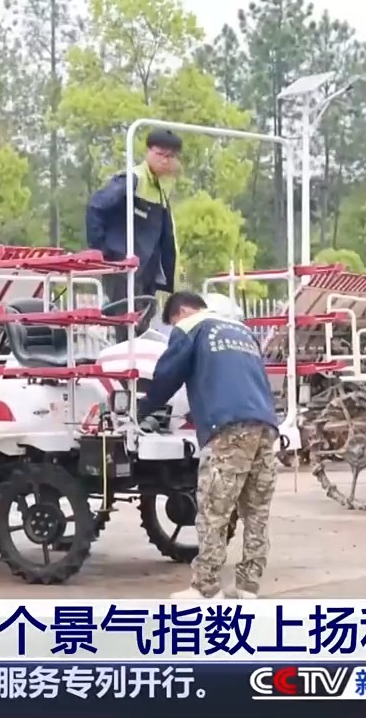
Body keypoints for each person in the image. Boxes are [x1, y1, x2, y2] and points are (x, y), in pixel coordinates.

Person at [137, 291, 280, 600]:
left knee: (214, 511)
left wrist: (142, 409)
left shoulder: (190, 327)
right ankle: (248, 586)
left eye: (173, 323)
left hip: (228, 428)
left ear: (181, 312)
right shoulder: (242, 331)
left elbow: (167, 376)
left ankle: (205, 588)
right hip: (266, 425)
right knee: (256, 511)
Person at [85, 128, 183, 342]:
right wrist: (102, 251)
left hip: (147, 271)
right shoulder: (133, 179)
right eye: (160, 154)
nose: (165, 161)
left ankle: (139, 362)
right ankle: (124, 362)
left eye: (170, 156)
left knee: (143, 322)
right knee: (125, 323)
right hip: (123, 267)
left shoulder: (160, 189)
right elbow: (97, 206)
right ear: (148, 152)